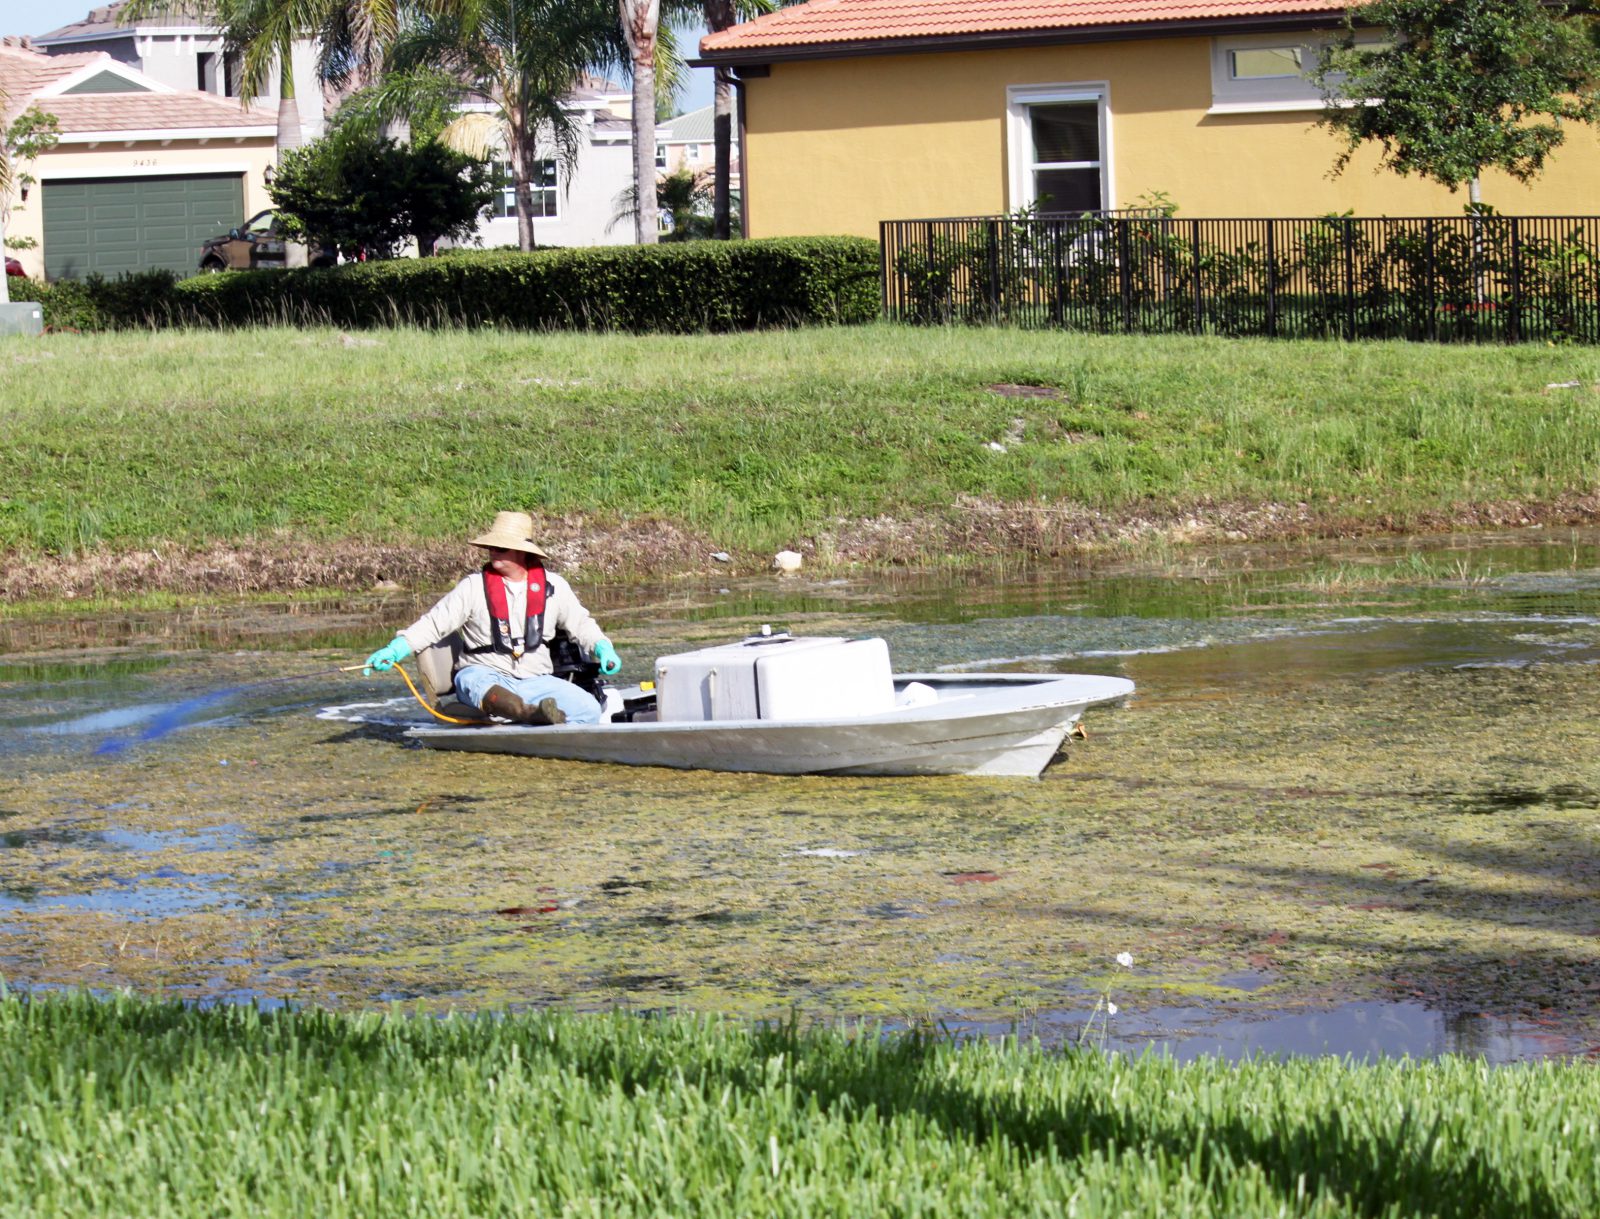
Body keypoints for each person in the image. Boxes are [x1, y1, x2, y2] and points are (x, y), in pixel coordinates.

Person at [363, 511, 622, 725]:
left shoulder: (555, 586)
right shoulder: (473, 587)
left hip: (536, 681)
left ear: (522, 552)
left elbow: (582, 625)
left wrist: (603, 647)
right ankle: (531, 715)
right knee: (473, 683)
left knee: (588, 709)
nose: (492, 552)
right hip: (485, 675)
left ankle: (542, 726)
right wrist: (396, 649)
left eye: (500, 548)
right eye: (490, 547)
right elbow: (433, 625)